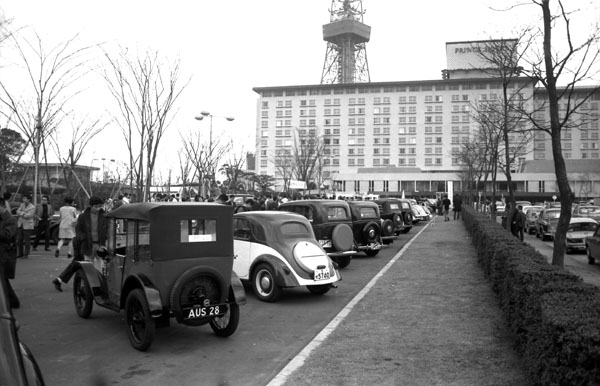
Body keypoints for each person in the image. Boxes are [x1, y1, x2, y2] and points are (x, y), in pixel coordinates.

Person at [52, 196, 109, 292]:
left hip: (93, 243)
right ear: (91, 206)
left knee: (78, 263)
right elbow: (78, 228)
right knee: (82, 264)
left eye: (100, 206)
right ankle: (88, 285)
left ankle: (60, 280)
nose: (98, 208)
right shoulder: (82, 215)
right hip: (83, 243)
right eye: (96, 206)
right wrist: (84, 238)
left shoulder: (103, 216)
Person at [0, 195, 19, 308]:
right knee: (3, 280)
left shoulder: (11, 219)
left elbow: (7, 235)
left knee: (3, 279)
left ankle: (12, 301)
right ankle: (12, 301)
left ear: (3, 207)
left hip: (5, 254)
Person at [15, 194, 35, 258]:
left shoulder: (32, 207)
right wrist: (23, 213)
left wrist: (22, 213)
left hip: (28, 225)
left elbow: (29, 216)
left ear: (29, 199)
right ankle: (20, 253)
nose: (24, 199)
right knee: (19, 240)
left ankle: (26, 254)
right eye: (23, 198)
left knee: (27, 240)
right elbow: (17, 211)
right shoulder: (22, 204)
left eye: (25, 198)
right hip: (20, 224)